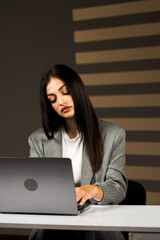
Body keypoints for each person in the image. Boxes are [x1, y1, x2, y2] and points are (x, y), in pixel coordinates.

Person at [28, 64, 127, 240]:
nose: (60, 101)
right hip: (55, 226)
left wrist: (91, 190)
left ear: (77, 89)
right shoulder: (37, 140)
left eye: (65, 91)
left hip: (97, 226)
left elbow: (118, 187)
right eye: (52, 99)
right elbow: (33, 188)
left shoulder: (114, 135)